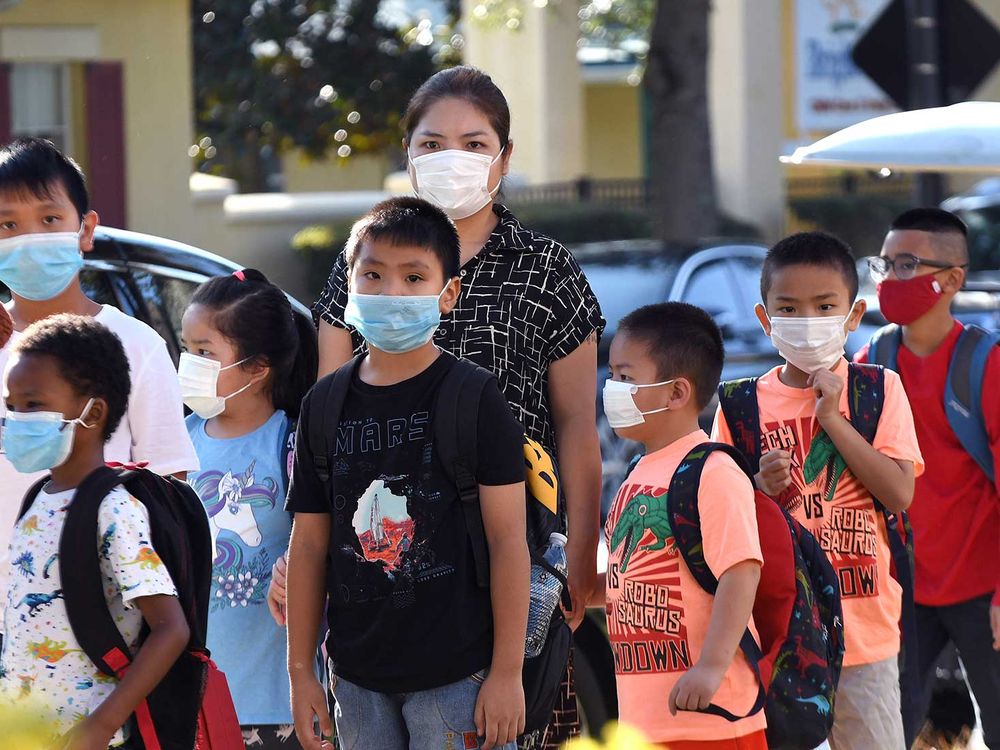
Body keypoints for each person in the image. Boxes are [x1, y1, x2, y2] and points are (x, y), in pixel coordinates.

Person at [279, 65, 605, 747]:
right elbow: (325, 417)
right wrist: (304, 551)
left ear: (505, 157)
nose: (450, 159)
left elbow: (577, 423)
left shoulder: (545, 268)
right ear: (407, 152)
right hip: (376, 571)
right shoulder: (360, 262)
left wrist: (581, 551)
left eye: (474, 143)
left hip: (503, 556)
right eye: (432, 144)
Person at [285, 197, 529, 750]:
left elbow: (509, 539)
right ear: (348, 286)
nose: (391, 292)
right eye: (372, 274)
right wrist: (302, 674)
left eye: (414, 276)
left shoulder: (474, 398)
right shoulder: (323, 405)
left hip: (460, 677)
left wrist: (507, 672)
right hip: (355, 682)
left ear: (448, 295)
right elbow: (308, 546)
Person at [712, 232, 924, 750]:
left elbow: (898, 493)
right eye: (789, 307)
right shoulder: (739, 407)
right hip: (779, 636)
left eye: (824, 306)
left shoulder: (878, 389)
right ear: (765, 319)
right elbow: (727, 518)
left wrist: (833, 418)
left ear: (852, 316)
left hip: (864, 632)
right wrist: (760, 487)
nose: (807, 321)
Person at [0, 137, 198, 607]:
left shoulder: (137, 346)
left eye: (49, 219)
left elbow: (170, 491)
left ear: (85, 229)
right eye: (8, 224)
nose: (30, 238)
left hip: (98, 621)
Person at [0, 314, 189, 749]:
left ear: (93, 412)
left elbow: (170, 628)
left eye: (32, 404)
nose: (17, 420)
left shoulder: (113, 509)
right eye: (11, 407)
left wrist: (102, 725)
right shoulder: (37, 498)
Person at [854, 208, 1000, 748]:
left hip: (983, 588)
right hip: (904, 585)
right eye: (885, 264)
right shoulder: (874, 359)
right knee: (891, 723)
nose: (891, 278)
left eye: (908, 264)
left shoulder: (986, 364)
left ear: (952, 279)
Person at [602, 302, 766, 749]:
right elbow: (634, 575)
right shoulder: (637, 472)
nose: (611, 389)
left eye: (625, 378)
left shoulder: (712, 471)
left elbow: (741, 570)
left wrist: (711, 667)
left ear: (676, 393)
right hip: (645, 723)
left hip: (710, 719)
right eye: (613, 375)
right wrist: (584, 594)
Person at [180, 268, 318, 748]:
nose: (188, 363)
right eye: (186, 348)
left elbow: (322, 543)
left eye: (204, 352)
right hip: (194, 703)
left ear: (258, 367)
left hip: (279, 702)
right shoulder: (178, 443)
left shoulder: (293, 441)